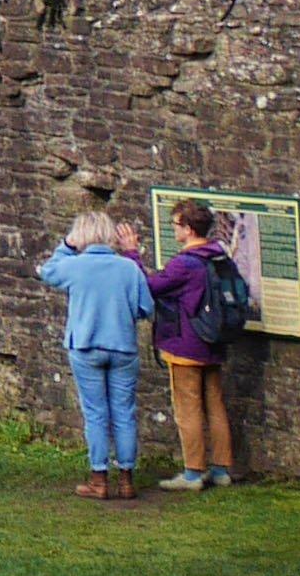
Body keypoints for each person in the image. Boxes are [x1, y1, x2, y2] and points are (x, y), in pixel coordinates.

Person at [38, 211, 154, 499]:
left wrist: (67, 244)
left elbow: (47, 272)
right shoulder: (129, 268)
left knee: (95, 413)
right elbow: (146, 308)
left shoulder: (75, 266)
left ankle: (99, 478)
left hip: (86, 345)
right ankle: (126, 479)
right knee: (124, 412)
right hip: (123, 346)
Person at [148, 199, 253, 489]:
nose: (173, 230)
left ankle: (193, 472)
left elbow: (151, 285)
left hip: (186, 343)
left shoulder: (184, 264)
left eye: (176, 224)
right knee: (215, 405)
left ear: (188, 228)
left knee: (188, 407)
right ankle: (221, 468)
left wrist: (132, 254)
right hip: (214, 339)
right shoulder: (218, 255)